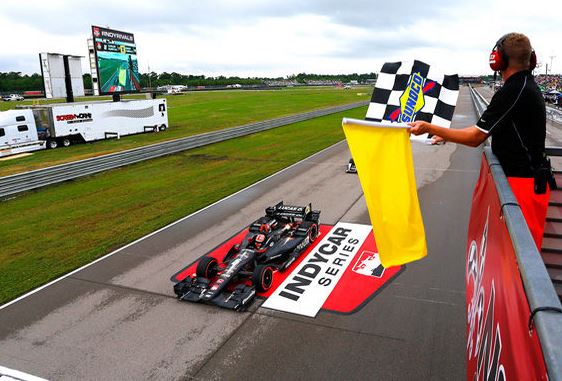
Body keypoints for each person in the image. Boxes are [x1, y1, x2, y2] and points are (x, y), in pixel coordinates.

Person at [409, 32, 555, 248]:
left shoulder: (513, 90)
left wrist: (428, 126)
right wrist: (446, 134)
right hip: (526, 182)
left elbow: (476, 137)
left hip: (524, 186)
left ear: (498, 60)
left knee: (520, 258)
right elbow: (480, 130)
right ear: (531, 59)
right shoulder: (523, 85)